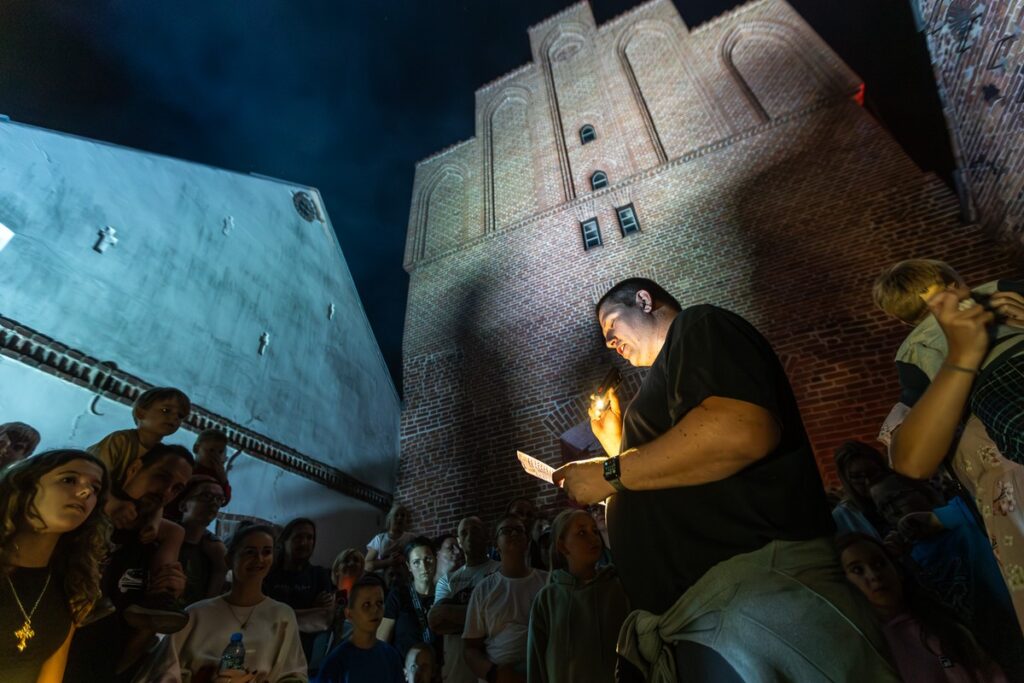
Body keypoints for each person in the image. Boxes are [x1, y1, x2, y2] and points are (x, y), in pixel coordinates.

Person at [555, 278, 897, 681]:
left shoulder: (698, 327)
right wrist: (616, 446)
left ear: (644, 301)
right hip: (710, 617)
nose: (610, 342)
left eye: (612, 324)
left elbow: (739, 431)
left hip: (758, 603)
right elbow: (674, 476)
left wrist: (609, 473)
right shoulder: (663, 381)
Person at [870, 472, 1024, 677]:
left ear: (924, 490)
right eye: (883, 508)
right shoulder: (909, 554)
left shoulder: (960, 515)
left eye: (895, 499)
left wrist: (932, 519)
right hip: (984, 652)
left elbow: (977, 507)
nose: (892, 510)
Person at [872, 259, 1024, 463]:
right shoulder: (994, 290)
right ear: (955, 285)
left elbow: (919, 401)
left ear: (903, 320)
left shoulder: (911, 351)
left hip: (988, 391)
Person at [64, 443, 193, 682]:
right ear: (134, 469)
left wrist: (170, 591)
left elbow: (148, 621)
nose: (166, 492)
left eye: (176, 489)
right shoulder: (79, 517)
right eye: (161, 477)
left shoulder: (158, 539)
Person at [143, 523, 307, 683]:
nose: (259, 559)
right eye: (250, 552)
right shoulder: (196, 614)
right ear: (229, 559)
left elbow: (294, 674)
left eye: (267, 552)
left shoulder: (282, 615)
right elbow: (164, 670)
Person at [0, 449, 110, 683]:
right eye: (69, 480)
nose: (86, 491)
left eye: (95, 489)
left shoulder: (74, 584)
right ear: (26, 486)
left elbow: (51, 673)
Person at [838, 533, 1007, 682]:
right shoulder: (867, 650)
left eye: (880, 564)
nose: (874, 576)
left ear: (897, 570)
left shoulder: (939, 621)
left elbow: (989, 672)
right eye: (858, 570)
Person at [89, 387, 193, 626]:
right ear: (140, 411)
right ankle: (93, 594)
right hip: (98, 497)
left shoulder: (159, 453)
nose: (173, 419)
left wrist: (154, 523)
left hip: (132, 507)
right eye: (166, 410)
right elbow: (96, 476)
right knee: (102, 529)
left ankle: (159, 596)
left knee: (175, 531)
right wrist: (114, 503)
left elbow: (157, 498)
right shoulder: (121, 441)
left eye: (180, 416)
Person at [527, 509, 629, 683]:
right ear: (563, 545)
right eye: (582, 532)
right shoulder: (548, 599)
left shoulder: (618, 587)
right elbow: (536, 661)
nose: (593, 537)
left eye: (594, 531)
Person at [463, 516, 547, 683]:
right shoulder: (484, 589)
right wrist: (494, 674)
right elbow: (470, 648)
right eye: (506, 531)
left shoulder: (547, 582)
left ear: (527, 541)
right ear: (496, 544)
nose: (513, 534)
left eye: (519, 530)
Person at [428, 516, 499, 683]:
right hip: (457, 673)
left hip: (494, 670)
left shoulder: (500, 571)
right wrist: (485, 619)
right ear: (459, 541)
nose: (470, 536)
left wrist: (450, 612)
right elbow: (436, 622)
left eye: (475, 530)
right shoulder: (448, 580)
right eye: (464, 533)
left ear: (486, 535)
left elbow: (501, 614)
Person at [263, 518, 335, 665]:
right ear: (284, 541)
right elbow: (264, 618)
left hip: (304, 658)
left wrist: (280, 615)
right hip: (268, 654)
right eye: (298, 537)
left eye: (310, 538)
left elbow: (323, 619)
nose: (304, 543)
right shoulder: (268, 575)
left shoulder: (319, 575)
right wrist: (311, 608)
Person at [313, 575, 403, 683]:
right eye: (366, 605)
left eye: (379, 603)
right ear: (349, 614)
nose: (375, 610)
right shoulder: (337, 662)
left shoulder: (390, 656)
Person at [378, 537, 439, 662]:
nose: (424, 566)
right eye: (416, 562)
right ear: (409, 566)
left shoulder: (445, 594)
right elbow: (381, 642)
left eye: (428, 559)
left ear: (435, 560)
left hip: (439, 670)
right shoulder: (399, 595)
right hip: (405, 672)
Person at [177, 476, 228, 607]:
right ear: (183, 505)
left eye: (219, 499)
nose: (214, 503)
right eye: (206, 496)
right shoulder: (162, 537)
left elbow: (208, 605)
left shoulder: (214, 552)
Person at [165, 429, 232, 524]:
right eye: (211, 450)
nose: (215, 456)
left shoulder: (218, 477)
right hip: (170, 513)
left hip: (192, 521)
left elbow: (224, 501)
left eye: (220, 452)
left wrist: (223, 479)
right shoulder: (187, 466)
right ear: (196, 448)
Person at [833, 441, 892, 538]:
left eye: (873, 472)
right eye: (857, 477)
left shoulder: (904, 493)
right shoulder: (843, 516)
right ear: (846, 481)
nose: (867, 482)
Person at [366, 503, 416, 580]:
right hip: (384, 581)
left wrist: (405, 559)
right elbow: (367, 565)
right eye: (396, 515)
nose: (400, 518)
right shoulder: (379, 539)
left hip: (406, 581)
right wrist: (387, 562)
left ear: (406, 519)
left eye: (403, 515)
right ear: (389, 518)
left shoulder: (411, 538)